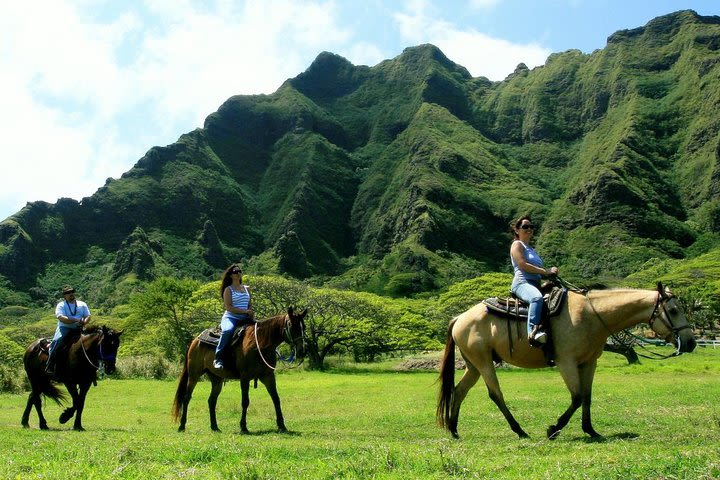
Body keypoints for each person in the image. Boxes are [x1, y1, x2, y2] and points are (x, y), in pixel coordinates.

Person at [509, 216, 558, 346]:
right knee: (536, 298)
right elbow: (522, 264)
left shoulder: (531, 249)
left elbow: (539, 271)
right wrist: (545, 271)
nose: (529, 229)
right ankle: (533, 332)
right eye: (525, 227)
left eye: (531, 227)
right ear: (517, 230)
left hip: (535, 284)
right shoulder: (517, 244)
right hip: (522, 283)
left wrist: (550, 272)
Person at [214, 264, 254, 369]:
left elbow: (249, 304)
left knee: (262, 330)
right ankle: (218, 358)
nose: (238, 273)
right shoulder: (228, 289)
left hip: (245, 318)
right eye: (235, 271)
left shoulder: (247, 288)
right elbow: (229, 307)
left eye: (239, 271)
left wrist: (250, 311)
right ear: (231, 275)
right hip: (231, 317)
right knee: (227, 331)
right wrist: (245, 311)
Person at [46, 285, 91, 374]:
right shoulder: (61, 305)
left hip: (79, 328)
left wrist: (84, 322)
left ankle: (95, 367)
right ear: (64, 295)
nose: (71, 294)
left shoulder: (82, 304)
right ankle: (50, 364)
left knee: (93, 341)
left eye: (72, 292)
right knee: (57, 341)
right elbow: (61, 318)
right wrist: (75, 320)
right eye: (68, 293)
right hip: (64, 328)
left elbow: (88, 316)